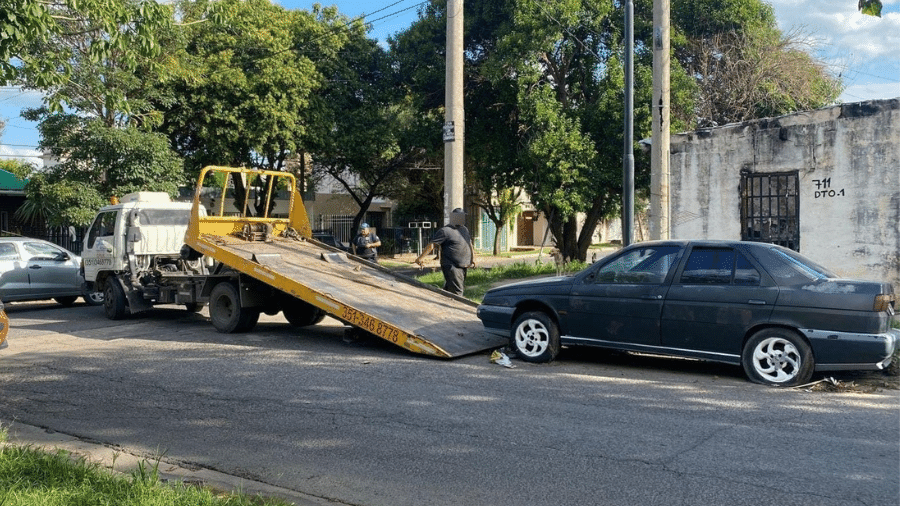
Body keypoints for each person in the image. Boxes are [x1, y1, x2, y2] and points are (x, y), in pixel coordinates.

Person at [414, 208, 475, 296]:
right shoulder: (445, 231)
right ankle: (456, 309)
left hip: (463, 265)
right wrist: (420, 258)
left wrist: (473, 258)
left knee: (448, 291)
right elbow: (432, 245)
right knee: (457, 292)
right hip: (452, 266)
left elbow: (469, 243)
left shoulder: (464, 229)